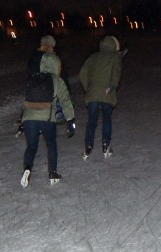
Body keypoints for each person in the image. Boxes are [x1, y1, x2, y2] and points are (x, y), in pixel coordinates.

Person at [20, 51, 75, 187]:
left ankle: (27, 168)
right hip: (47, 119)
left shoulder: (33, 78)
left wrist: (22, 121)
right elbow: (65, 102)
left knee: (31, 146)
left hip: (29, 119)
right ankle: (52, 173)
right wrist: (70, 120)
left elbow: (26, 101)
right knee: (51, 144)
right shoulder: (57, 80)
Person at [78, 35, 123, 160]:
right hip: (106, 92)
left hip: (93, 93)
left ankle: (88, 147)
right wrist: (112, 87)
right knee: (106, 119)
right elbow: (116, 74)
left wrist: (89, 87)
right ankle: (105, 145)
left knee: (92, 121)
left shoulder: (93, 56)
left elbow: (82, 73)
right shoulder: (115, 57)